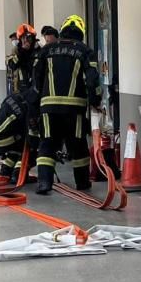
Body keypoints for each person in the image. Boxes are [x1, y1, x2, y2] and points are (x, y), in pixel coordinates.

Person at [33, 15, 102, 195]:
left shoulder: (46, 50)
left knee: (47, 142)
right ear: (81, 32)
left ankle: (44, 182)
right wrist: (96, 102)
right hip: (74, 110)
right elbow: (92, 80)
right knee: (77, 145)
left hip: (48, 107)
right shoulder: (85, 51)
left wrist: (35, 106)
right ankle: (82, 183)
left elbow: (36, 81)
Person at [0, 88, 40, 184]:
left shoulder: (13, 97)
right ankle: (19, 174)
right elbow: (33, 136)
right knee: (31, 146)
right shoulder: (29, 108)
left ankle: (6, 170)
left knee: (17, 141)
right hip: (2, 140)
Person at [7, 24, 39, 94]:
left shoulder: (38, 50)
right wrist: (22, 52)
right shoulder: (17, 50)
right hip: (20, 87)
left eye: (28, 38)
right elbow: (11, 65)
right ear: (20, 39)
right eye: (23, 38)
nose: (26, 40)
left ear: (33, 38)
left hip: (36, 87)